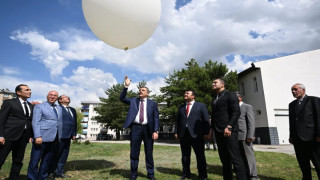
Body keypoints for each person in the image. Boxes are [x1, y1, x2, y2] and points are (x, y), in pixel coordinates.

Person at [119, 76, 159, 180]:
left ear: (147, 93)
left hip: (148, 129)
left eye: (143, 90)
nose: (140, 91)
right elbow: (122, 98)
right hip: (136, 128)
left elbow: (156, 118)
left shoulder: (153, 104)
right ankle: (133, 174)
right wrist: (126, 87)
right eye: (139, 90)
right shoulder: (133, 101)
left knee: (149, 153)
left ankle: (150, 174)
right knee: (134, 152)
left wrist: (155, 130)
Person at [210, 78, 247, 180]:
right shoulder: (215, 98)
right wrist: (211, 129)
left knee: (235, 158)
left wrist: (229, 126)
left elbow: (236, 112)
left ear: (222, 84)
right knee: (224, 159)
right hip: (218, 131)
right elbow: (214, 115)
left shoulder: (230, 95)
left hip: (228, 130)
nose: (212, 84)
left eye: (215, 82)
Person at [174, 90, 210, 180]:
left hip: (197, 135)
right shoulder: (181, 107)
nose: (185, 94)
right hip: (184, 134)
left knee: (200, 155)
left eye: (187, 93)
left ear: (193, 96)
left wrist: (206, 132)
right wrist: (176, 131)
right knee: (185, 155)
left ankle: (202, 175)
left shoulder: (201, 106)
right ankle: (186, 173)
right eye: (185, 93)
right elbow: (178, 121)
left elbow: (206, 120)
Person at [27, 90, 62, 180]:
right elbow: (35, 122)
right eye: (51, 95)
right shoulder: (39, 106)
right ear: (47, 96)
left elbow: (59, 122)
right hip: (41, 137)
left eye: (55, 95)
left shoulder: (59, 108)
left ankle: (42, 177)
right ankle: (32, 178)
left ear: (57, 98)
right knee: (35, 161)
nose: (53, 97)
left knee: (47, 160)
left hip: (54, 138)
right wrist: (37, 136)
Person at [0, 84, 33, 179]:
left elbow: (29, 121)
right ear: (18, 92)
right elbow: (1, 119)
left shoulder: (30, 106)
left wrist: (30, 135)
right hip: (8, 136)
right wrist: (0, 135)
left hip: (23, 138)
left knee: (18, 161)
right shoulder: (9, 102)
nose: (29, 91)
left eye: (30, 90)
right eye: (27, 90)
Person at [289, 83, 320, 179]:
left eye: (295, 89)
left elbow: (318, 118)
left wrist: (319, 135)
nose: (293, 91)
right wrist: (291, 136)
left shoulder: (314, 100)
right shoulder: (292, 104)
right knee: (303, 164)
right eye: (292, 90)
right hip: (298, 140)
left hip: (312, 139)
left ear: (303, 90)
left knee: (318, 163)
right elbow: (292, 122)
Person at [50, 95, 77, 178]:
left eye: (68, 97)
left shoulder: (72, 110)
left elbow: (74, 123)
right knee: (56, 154)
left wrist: (74, 134)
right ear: (60, 100)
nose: (68, 98)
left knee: (64, 155)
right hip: (60, 135)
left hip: (69, 136)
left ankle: (59, 172)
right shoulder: (57, 108)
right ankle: (51, 172)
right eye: (65, 97)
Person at [236, 93, 258, 180]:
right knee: (240, 156)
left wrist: (250, 135)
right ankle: (244, 173)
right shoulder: (232, 109)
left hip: (245, 136)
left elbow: (251, 122)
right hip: (235, 136)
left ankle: (253, 175)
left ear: (240, 98)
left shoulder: (247, 107)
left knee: (249, 155)